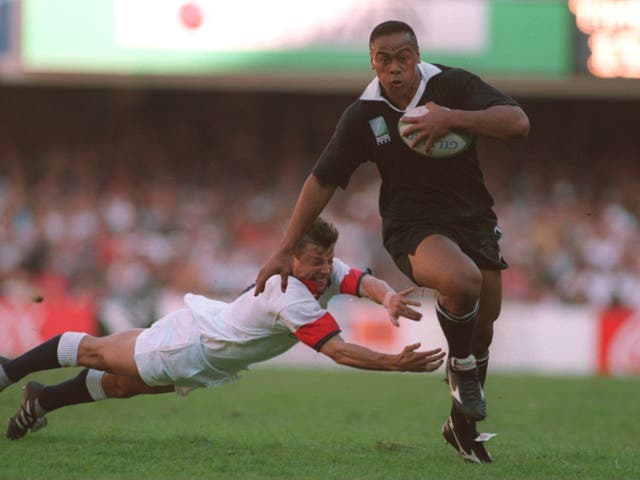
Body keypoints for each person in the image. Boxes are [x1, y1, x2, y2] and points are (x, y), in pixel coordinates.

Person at [254, 21, 530, 463]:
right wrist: (286, 246)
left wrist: (450, 118)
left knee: (483, 330)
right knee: (461, 282)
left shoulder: (452, 84)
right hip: (412, 226)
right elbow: (322, 180)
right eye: (384, 60)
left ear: (416, 54)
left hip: (474, 219)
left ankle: (459, 426)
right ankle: (459, 370)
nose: (395, 69)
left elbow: (518, 123)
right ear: (372, 62)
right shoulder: (364, 115)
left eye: (403, 57)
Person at [0, 217, 445, 441]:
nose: (325, 268)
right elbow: (340, 351)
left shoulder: (324, 272)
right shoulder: (289, 293)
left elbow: (360, 280)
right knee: (97, 353)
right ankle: (10, 371)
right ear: (291, 258)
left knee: (120, 386)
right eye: (315, 261)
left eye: (328, 259)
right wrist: (395, 363)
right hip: (189, 343)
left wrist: (386, 296)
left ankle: (41, 399)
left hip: (209, 357)